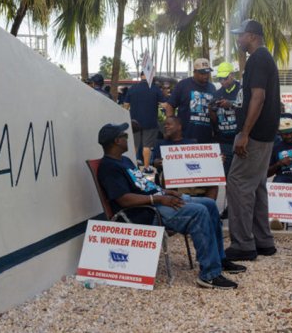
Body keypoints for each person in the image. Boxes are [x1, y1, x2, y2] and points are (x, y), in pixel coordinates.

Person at [96, 122, 245, 289]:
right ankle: (209, 275)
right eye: (124, 136)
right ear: (117, 141)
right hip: (145, 213)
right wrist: (158, 199)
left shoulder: (125, 160)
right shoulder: (109, 167)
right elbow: (124, 200)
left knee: (209, 204)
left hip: (157, 202)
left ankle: (219, 259)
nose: (127, 138)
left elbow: (143, 185)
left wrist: (165, 192)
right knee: (199, 212)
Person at [225, 19, 280, 262]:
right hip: (266, 132)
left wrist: (244, 133)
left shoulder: (257, 58)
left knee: (237, 182)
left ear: (252, 36)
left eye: (241, 35)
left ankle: (243, 244)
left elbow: (258, 97)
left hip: (256, 134)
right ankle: (262, 240)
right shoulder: (266, 58)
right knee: (256, 185)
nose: (238, 40)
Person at [152, 116, 217, 199]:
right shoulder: (161, 144)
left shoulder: (192, 143)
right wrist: (157, 162)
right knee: (167, 173)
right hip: (173, 178)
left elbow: (202, 161)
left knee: (214, 181)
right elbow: (154, 162)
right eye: (165, 125)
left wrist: (216, 160)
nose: (165, 126)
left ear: (179, 127)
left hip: (192, 175)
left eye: (169, 124)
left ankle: (209, 206)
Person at [211, 62, 240, 219]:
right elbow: (214, 120)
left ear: (232, 76)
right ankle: (229, 207)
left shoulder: (241, 90)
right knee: (227, 177)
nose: (222, 82)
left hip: (239, 139)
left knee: (240, 177)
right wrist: (212, 109)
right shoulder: (218, 92)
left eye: (224, 78)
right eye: (220, 79)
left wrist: (231, 104)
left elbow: (248, 107)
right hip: (223, 140)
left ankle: (239, 207)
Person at [124, 72, 170, 170]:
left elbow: (125, 106)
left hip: (134, 123)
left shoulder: (132, 88)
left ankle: (133, 167)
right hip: (150, 122)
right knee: (147, 146)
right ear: (150, 76)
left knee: (135, 145)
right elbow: (164, 105)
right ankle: (146, 167)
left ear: (141, 76)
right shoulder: (155, 88)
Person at [167, 58, 217, 144]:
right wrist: (171, 125)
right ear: (194, 72)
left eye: (207, 72)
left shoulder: (212, 88)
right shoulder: (183, 85)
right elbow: (170, 106)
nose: (206, 75)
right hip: (185, 137)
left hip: (206, 139)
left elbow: (215, 114)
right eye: (202, 73)